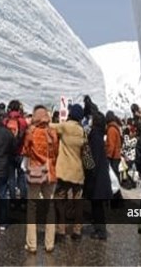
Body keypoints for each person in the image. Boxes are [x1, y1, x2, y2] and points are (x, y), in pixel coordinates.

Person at [22, 105, 59, 253]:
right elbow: (56, 152)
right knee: (49, 206)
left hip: (36, 172)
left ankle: (32, 244)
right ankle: (49, 243)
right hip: (50, 172)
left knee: (32, 206)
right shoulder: (52, 132)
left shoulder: (31, 132)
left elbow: (25, 150)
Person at [49, 103, 86, 241]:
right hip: (78, 172)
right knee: (78, 202)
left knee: (59, 200)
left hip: (64, 171)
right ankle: (77, 231)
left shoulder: (65, 127)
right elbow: (86, 155)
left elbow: (50, 127)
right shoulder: (83, 131)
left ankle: (61, 230)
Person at [84, 111, 112, 240]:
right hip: (101, 175)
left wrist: (86, 162)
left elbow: (91, 158)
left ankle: (100, 231)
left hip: (96, 177)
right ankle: (99, 228)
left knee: (97, 205)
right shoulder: (99, 134)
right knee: (98, 204)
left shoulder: (94, 136)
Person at [4, 100, 27, 208]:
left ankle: (12, 201)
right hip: (20, 152)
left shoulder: (6, 120)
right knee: (22, 177)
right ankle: (23, 201)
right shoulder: (22, 121)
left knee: (11, 178)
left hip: (9, 153)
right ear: (19, 109)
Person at [105, 111, 122, 180]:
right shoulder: (115, 128)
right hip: (116, 155)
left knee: (113, 175)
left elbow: (111, 145)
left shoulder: (111, 129)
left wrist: (108, 157)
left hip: (113, 157)